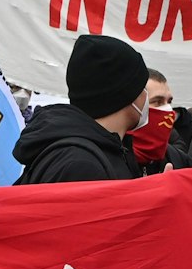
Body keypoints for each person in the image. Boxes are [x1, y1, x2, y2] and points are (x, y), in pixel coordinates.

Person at [13, 34, 148, 185]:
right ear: (127, 93)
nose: (146, 95)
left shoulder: (101, 152)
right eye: (143, 87)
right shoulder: (81, 166)